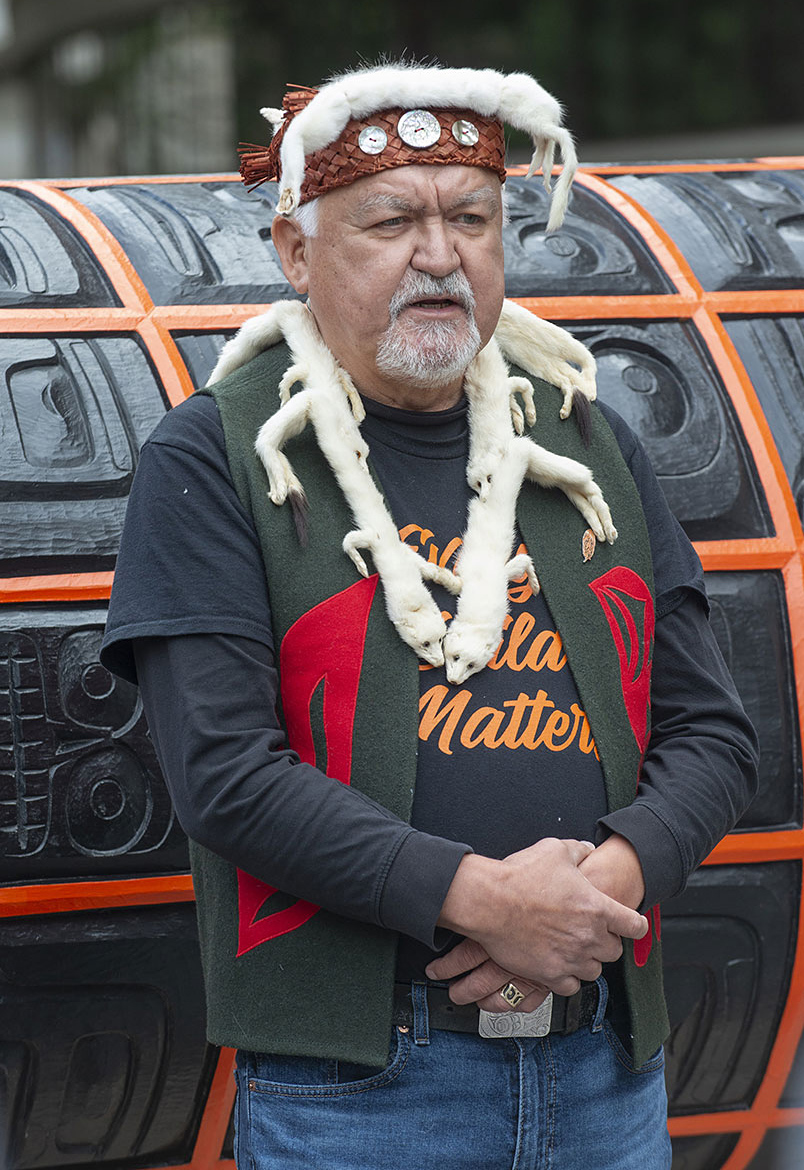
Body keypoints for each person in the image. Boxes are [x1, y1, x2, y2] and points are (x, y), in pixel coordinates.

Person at [101, 62, 758, 1169]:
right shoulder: (214, 453)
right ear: (296, 252)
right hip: (361, 1092)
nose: (442, 255)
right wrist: (485, 902)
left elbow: (717, 737)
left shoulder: (585, 441)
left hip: (606, 1068)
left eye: (472, 219)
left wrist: (602, 888)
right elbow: (223, 771)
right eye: (391, 220)